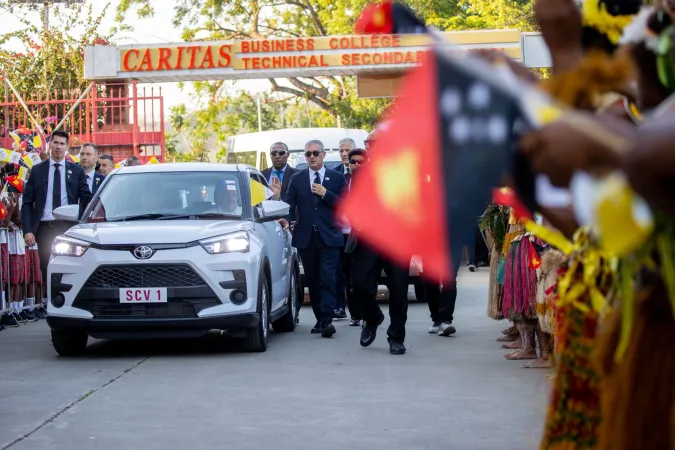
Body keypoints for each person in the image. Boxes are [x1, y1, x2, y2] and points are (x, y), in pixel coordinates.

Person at [284, 139, 346, 338]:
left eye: (315, 153)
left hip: (329, 237)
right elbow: (289, 205)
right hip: (306, 238)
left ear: (323, 155)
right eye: (308, 154)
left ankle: (327, 320)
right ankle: (320, 319)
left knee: (328, 278)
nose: (311, 157)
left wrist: (326, 193)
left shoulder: (337, 178)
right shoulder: (298, 178)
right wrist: (286, 221)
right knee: (313, 279)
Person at [21, 130, 92, 283]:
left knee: (70, 267)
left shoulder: (77, 171)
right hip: (45, 227)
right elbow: (27, 203)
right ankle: (50, 302)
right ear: (50, 145)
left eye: (62, 144)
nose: (58, 147)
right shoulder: (38, 170)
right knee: (47, 267)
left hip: (69, 228)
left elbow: (86, 199)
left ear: (67, 147)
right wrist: (27, 230)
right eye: (56, 143)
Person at [344, 148, 366, 326]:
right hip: (344, 235)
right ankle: (355, 315)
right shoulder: (342, 181)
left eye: (361, 162)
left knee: (363, 278)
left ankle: (367, 314)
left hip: (365, 236)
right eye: (353, 162)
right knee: (348, 278)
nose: (357, 165)